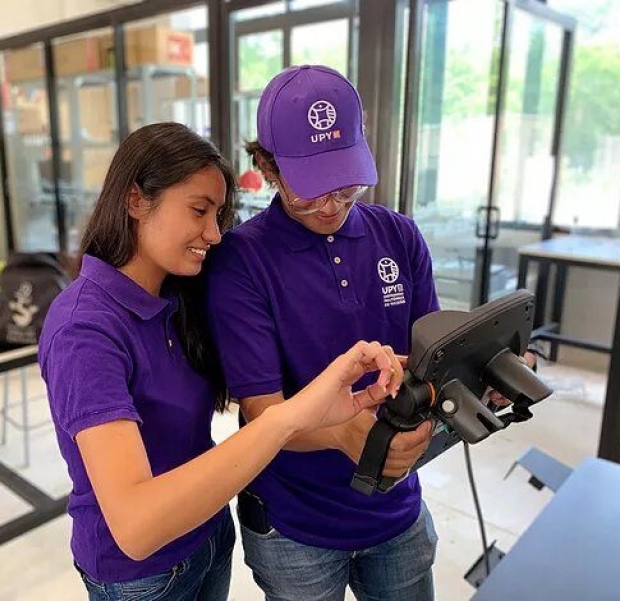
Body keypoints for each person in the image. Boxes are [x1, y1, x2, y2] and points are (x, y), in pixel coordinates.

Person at [207, 65, 536, 601]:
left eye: (345, 185)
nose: (332, 206)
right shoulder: (243, 261)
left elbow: (433, 360)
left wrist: (483, 380)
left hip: (397, 514)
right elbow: (261, 412)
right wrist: (340, 434)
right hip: (296, 527)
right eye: (309, 192)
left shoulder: (398, 235)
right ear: (266, 167)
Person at [38, 122, 404, 601]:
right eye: (198, 211)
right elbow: (136, 524)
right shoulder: (84, 330)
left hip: (208, 537)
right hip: (141, 576)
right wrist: (291, 417)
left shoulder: (176, 298)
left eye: (219, 214)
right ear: (135, 201)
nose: (214, 234)